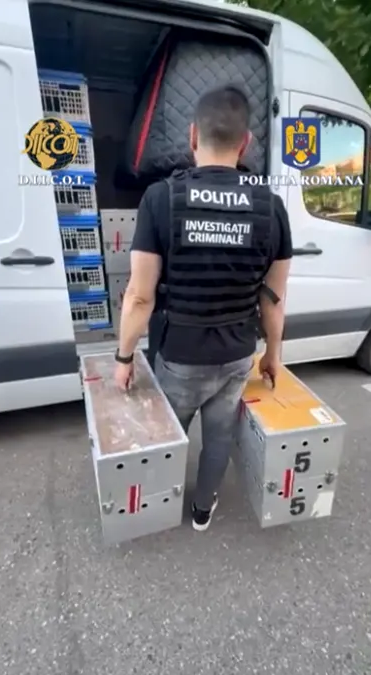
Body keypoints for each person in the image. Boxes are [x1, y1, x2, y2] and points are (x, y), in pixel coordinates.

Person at [111, 84, 293, 531]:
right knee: (219, 435)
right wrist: (273, 355)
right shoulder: (271, 208)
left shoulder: (161, 199)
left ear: (192, 135)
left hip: (179, 355)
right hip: (236, 353)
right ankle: (202, 509)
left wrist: (123, 357)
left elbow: (139, 295)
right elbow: (273, 298)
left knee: (166, 436)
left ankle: (158, 505)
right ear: (245, 143)